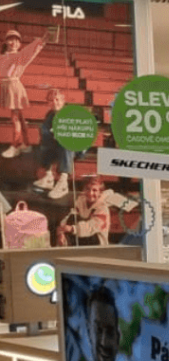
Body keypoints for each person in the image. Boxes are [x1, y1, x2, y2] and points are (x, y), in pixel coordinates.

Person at [0, 28, 47, 158]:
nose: (13, 43)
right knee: (19, 117)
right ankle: (25, 143)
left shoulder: (20, 56)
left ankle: (15, 145)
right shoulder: (2, 57)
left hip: (14, 87)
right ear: (6, 42)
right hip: (4, 86)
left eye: (16, 40)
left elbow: (31, 51)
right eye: (11, 39)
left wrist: (41, 41)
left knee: (15, 118)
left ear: (19, 44)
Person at [34, 88, 74, 197]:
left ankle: (63, 183)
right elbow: (45, 132)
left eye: (57, 99)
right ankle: (48, 178)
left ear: (63, 101)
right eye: (51, 100)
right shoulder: (50, 115)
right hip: (57, 145)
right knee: (44, 141)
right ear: (48, 103)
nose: (55, 102)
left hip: (73, 147)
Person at [58, 175, 111, 246]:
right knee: (71, 218)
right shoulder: (81, 200)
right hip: (81, 238)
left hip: (97, 244)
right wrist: (61, 232)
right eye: (87, 189)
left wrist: (72, 229)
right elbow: (69, 216)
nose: (90, 193)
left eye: (94, 190)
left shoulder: (103, 208)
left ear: (100, 193)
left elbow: (91, 227)